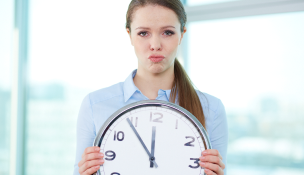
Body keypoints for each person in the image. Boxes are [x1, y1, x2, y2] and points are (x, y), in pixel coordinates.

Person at [73, 0, 228, 175]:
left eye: (167, 32)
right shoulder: (95, 105)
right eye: (143, 33)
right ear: (129, 35)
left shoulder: (211, 109)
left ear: (182, 34)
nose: (155, 45)